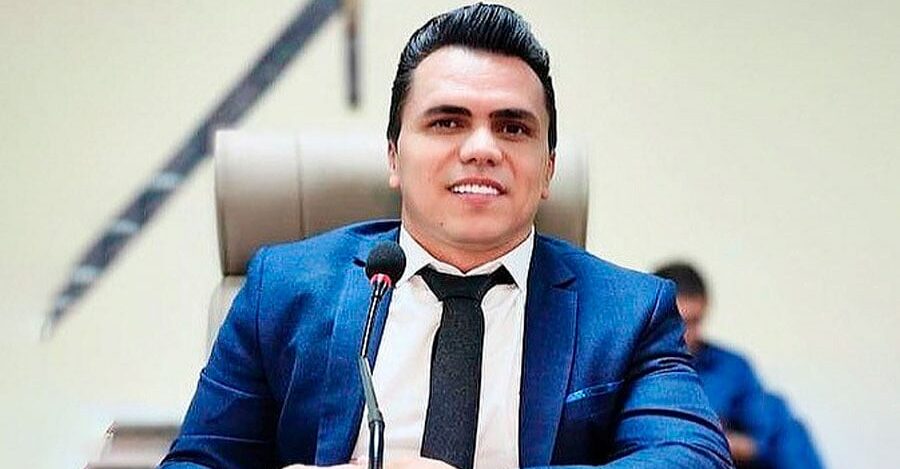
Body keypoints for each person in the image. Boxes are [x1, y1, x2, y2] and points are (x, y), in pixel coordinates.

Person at [161, 4, 733, 468]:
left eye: (513, 127)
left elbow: (692, 459)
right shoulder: (282, 290)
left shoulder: (630, 313)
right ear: (394, 156)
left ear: (548, 169)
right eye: (447, 122)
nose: (482, 148)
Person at [653, 262, 823, 469]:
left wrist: (727, 443)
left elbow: (767, 435)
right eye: (678, 323)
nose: (688, 334)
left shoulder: (730, 367)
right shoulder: (627, 366)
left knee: (790, 429)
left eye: (695, 322)